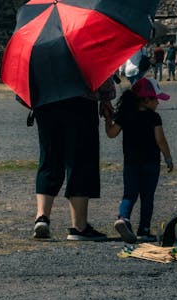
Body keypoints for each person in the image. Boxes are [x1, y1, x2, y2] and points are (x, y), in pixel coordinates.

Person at [32, 76, 116, 241]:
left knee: (49, 158)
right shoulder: (81, 48)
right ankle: (79, 226)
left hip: (45, 102)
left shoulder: (36, 49)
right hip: (80, 102)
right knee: (80, 160)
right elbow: (101, 71)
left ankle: (42, 217)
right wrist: (105, 98)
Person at [105, 77, 174, 243]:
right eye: (155, 99)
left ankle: (123, 218)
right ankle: (144, 229)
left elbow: (111, 133)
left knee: (129, 193)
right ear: (145, 99)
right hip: (151, 163)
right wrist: (168, 158)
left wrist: (108, 119)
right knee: (147, 197)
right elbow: (161, 140)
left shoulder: (125, 115)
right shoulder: (154, 117)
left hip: (131, 163)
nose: (158, 103)